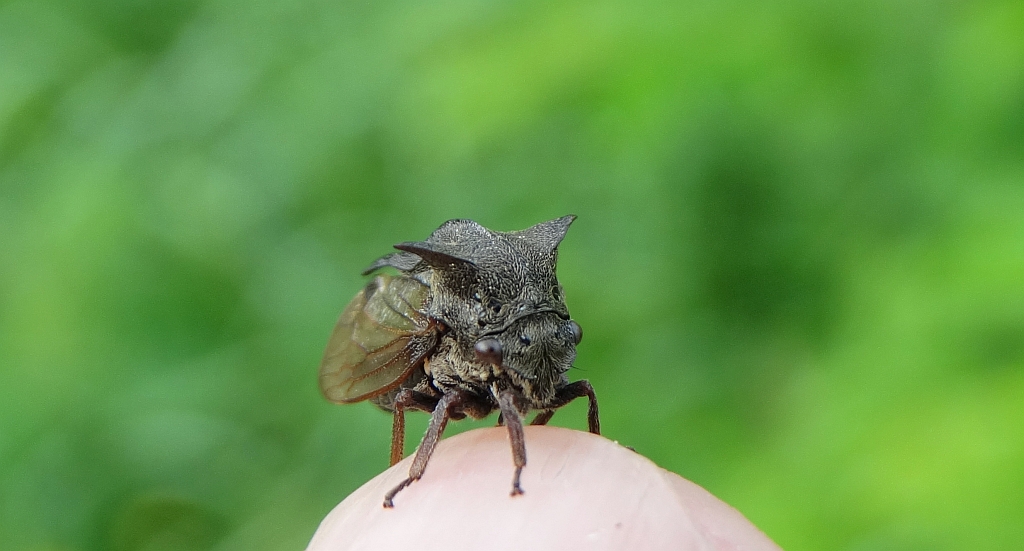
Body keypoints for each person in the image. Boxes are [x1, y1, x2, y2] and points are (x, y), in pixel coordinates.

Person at [306, 426, 781, 550]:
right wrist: (406, 475)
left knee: (580, 387)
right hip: (445, 369)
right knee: (439, 399)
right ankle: (407, 475)